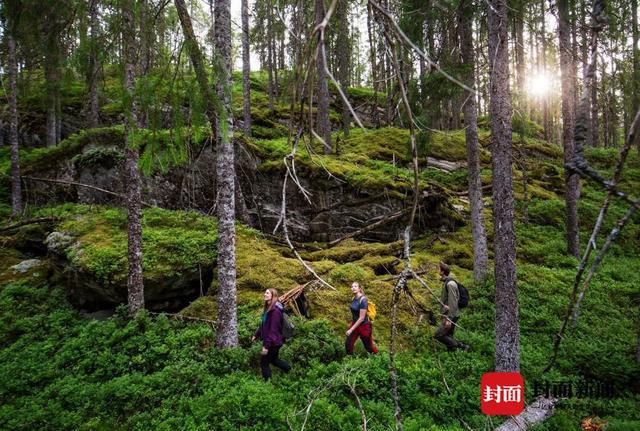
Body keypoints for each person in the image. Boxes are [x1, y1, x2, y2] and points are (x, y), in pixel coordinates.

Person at [252, 288, 291, 380]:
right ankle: (289, 370)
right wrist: (256, 335)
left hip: (273, 342)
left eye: (267, 293)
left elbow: (273, 331)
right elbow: (264, 325)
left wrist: (266, 346)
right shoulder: (268, 309)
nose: (265, 294)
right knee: (273, 360)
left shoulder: (275, 311)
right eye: (265, 292)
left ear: (273, 296)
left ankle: (267, 384)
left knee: (264, 363)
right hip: (275, 342)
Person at [434, 262, 470, 352]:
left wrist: (448, 319)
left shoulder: (450, 284)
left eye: (438, 269)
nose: (437, 270)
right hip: (451, 314)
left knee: (438, 335)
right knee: (449, 335)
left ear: (442, 271)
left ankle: (462, 346)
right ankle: (451, 354)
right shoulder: (447, 282)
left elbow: (453, 303)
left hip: (451, 315)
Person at [345, 282, 378, 355]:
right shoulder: (353, 298)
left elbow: (361, 318)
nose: (353, 288)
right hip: (355, 324)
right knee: (348, 344)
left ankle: (378, 357)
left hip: (364, 326)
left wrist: (351, 329)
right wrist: (352, 325)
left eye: (355, 286)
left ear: (359, 288)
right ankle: (349, 360)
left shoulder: (363, 300)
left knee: (368, 346)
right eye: (352, 286)